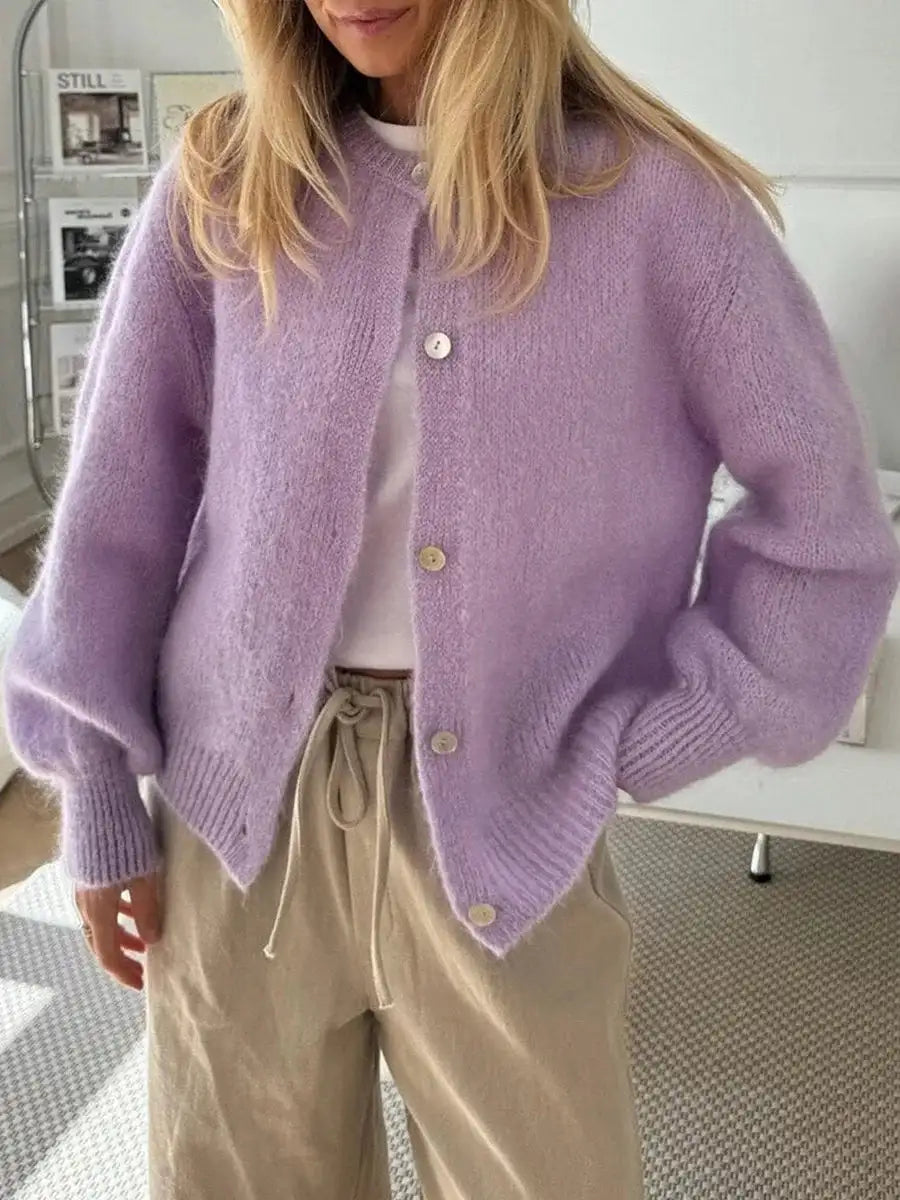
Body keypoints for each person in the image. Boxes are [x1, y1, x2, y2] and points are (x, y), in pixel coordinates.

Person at [4, 1, 899, 1197]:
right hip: (236, 809)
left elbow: (825, 526)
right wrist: (99, 793)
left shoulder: (655, 201)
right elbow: (121, 504)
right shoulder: (228, 174)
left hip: (512, 813)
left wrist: (650, 735)